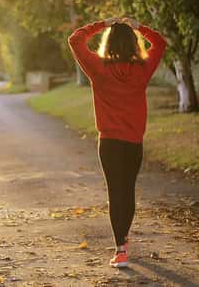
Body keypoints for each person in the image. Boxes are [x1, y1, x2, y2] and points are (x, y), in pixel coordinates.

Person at [68, 16, 166, 268]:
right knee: (128, 190)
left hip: (109, 143)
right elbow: (160, 43)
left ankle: (120, 248)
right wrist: (139, 27)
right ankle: (124, 238)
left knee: (115, 192)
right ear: (134, 44)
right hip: (133, 142)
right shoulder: (142, 69)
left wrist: (102, 23)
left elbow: (75, 40)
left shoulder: (98, 68)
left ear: (108, 42)